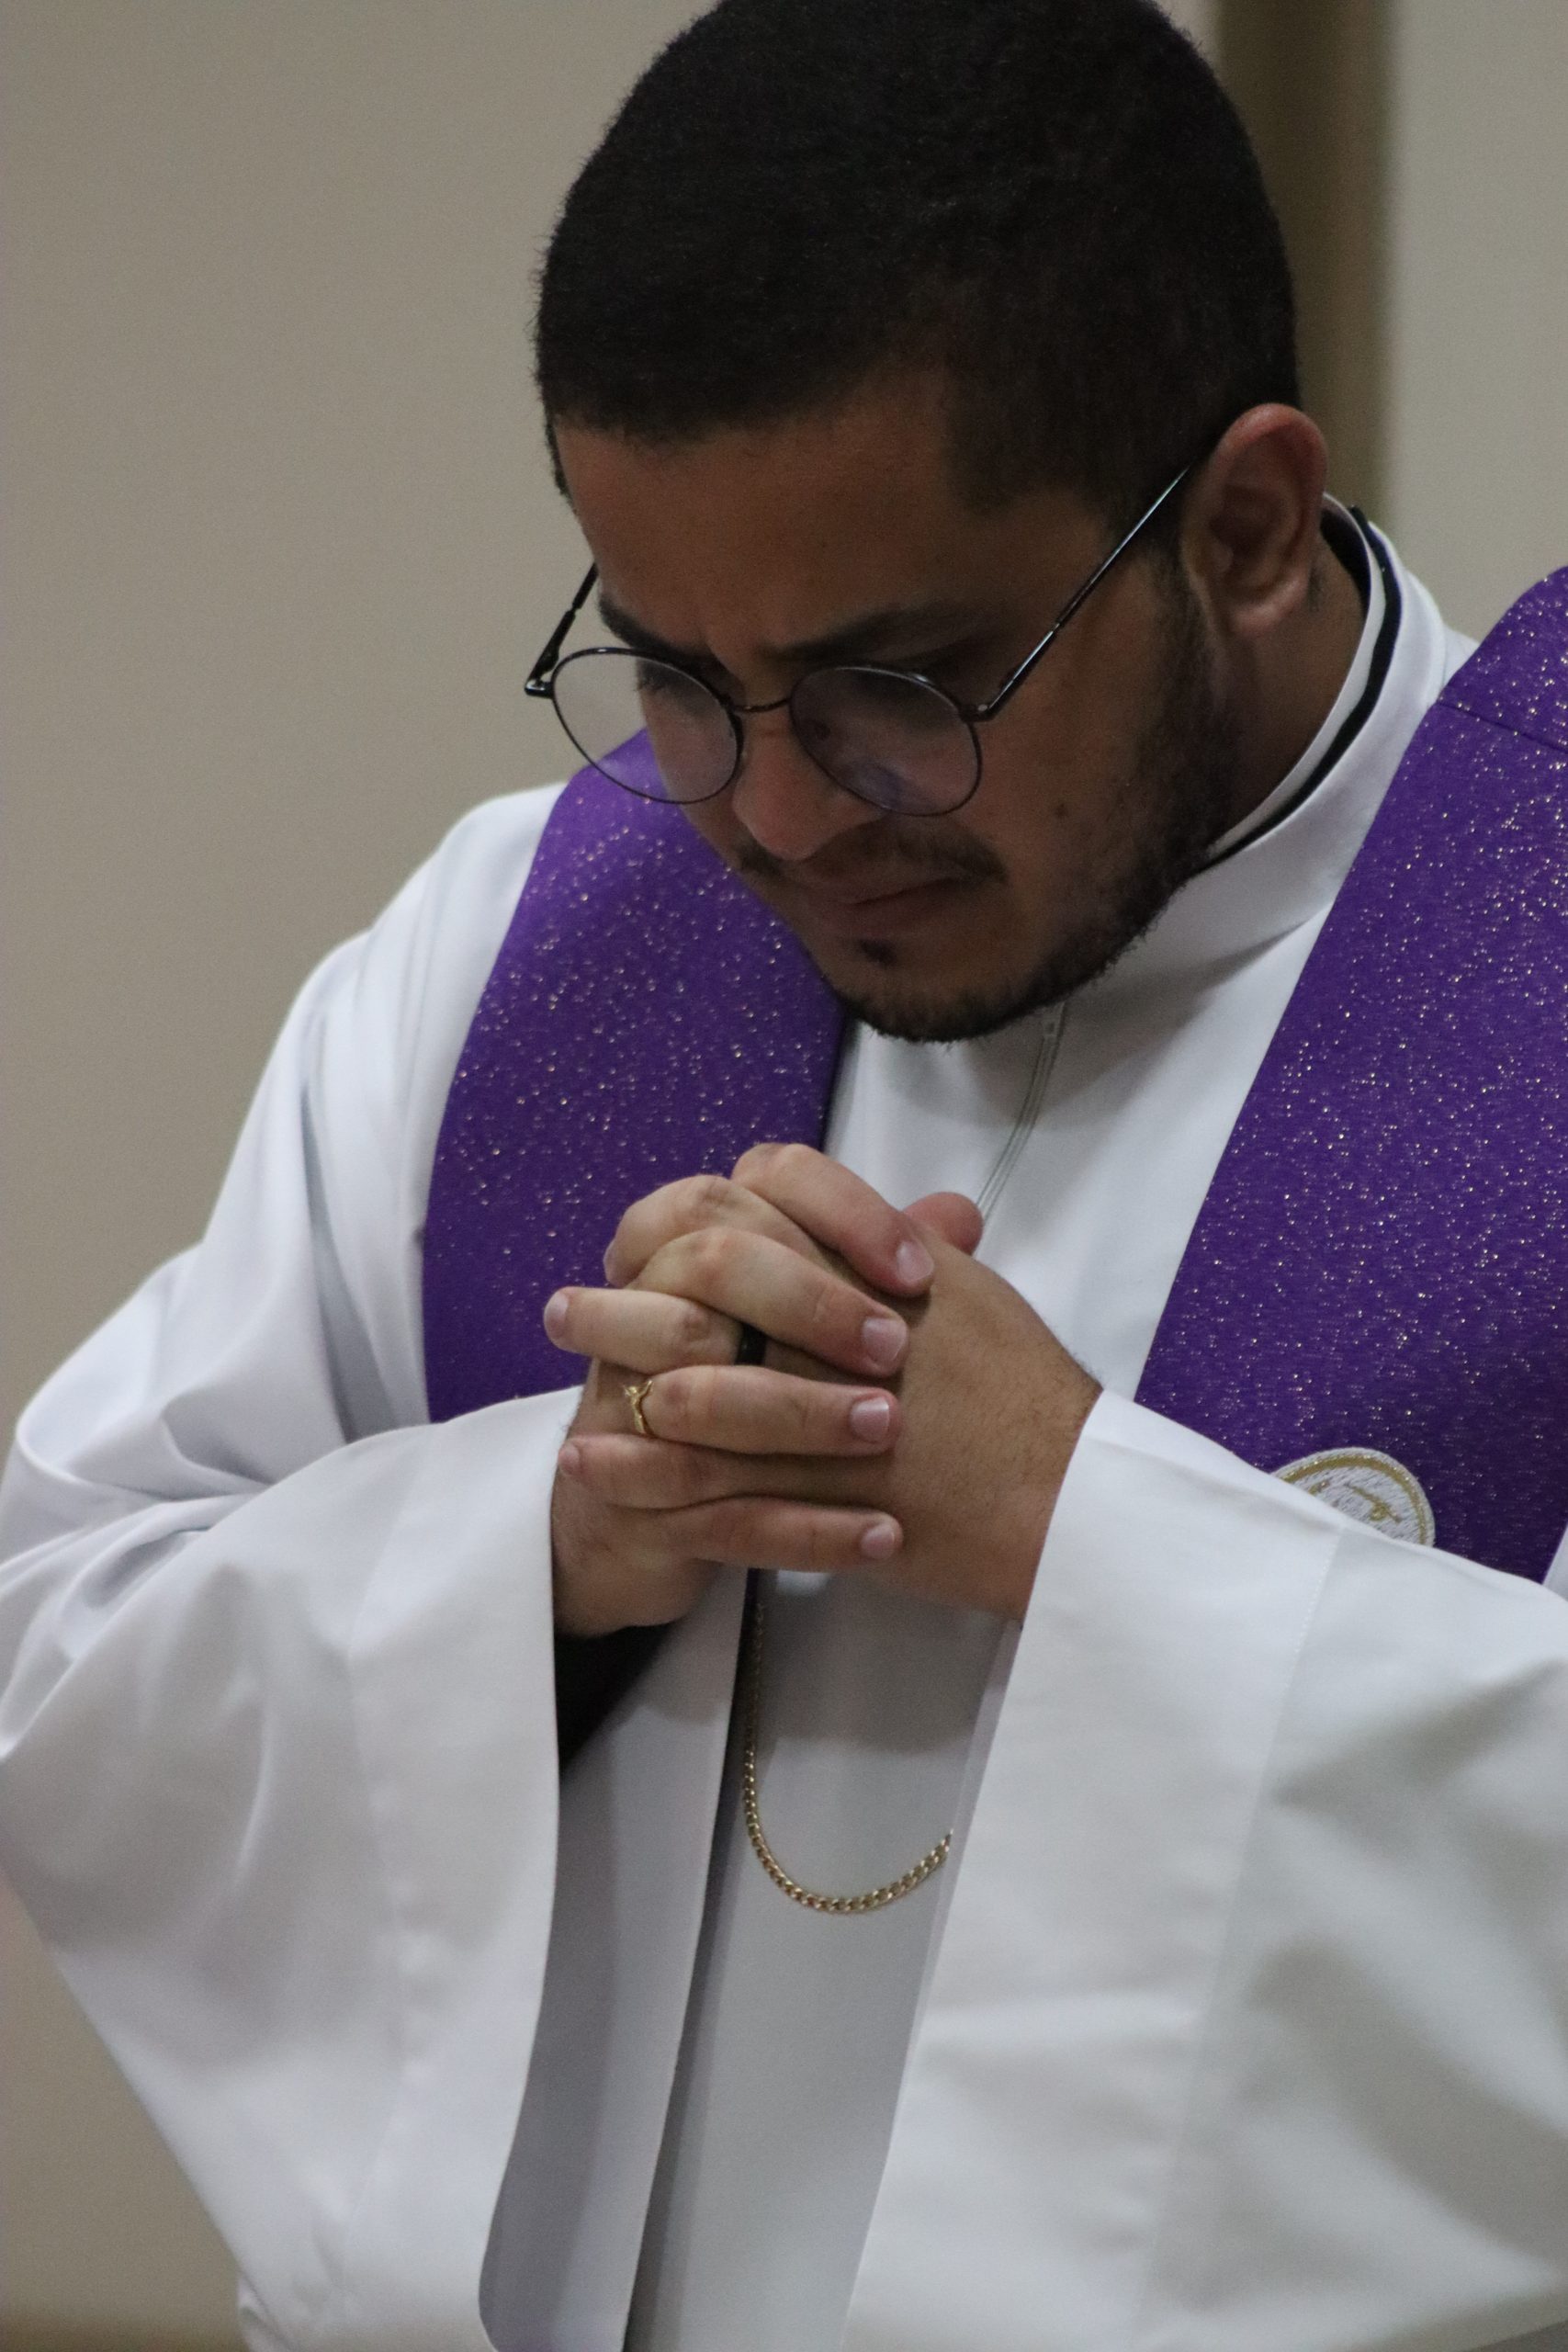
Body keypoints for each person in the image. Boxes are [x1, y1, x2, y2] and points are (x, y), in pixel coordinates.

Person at [4, 1, 1568, 2346]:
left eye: (897, 684)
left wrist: (1082, 1525)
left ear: (1240, 528)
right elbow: (63, 1642)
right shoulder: (525, 953)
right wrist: (541, 1544)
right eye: (671, 671)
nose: (774, 813)